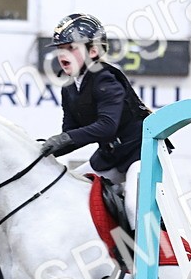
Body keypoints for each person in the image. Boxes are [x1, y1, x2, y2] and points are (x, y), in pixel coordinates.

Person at [39, 12, 149, 229]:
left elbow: (107, 128)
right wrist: (43, 149)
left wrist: (64, 138)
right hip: (111, 157)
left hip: (141, 154)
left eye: (71, 48)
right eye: (61, 48)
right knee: (60, 189)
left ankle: (145, 259)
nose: (63, 54)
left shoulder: (106, 79)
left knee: (133, 206)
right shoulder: (70, 87)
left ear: (93, 51)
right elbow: (72, 134)